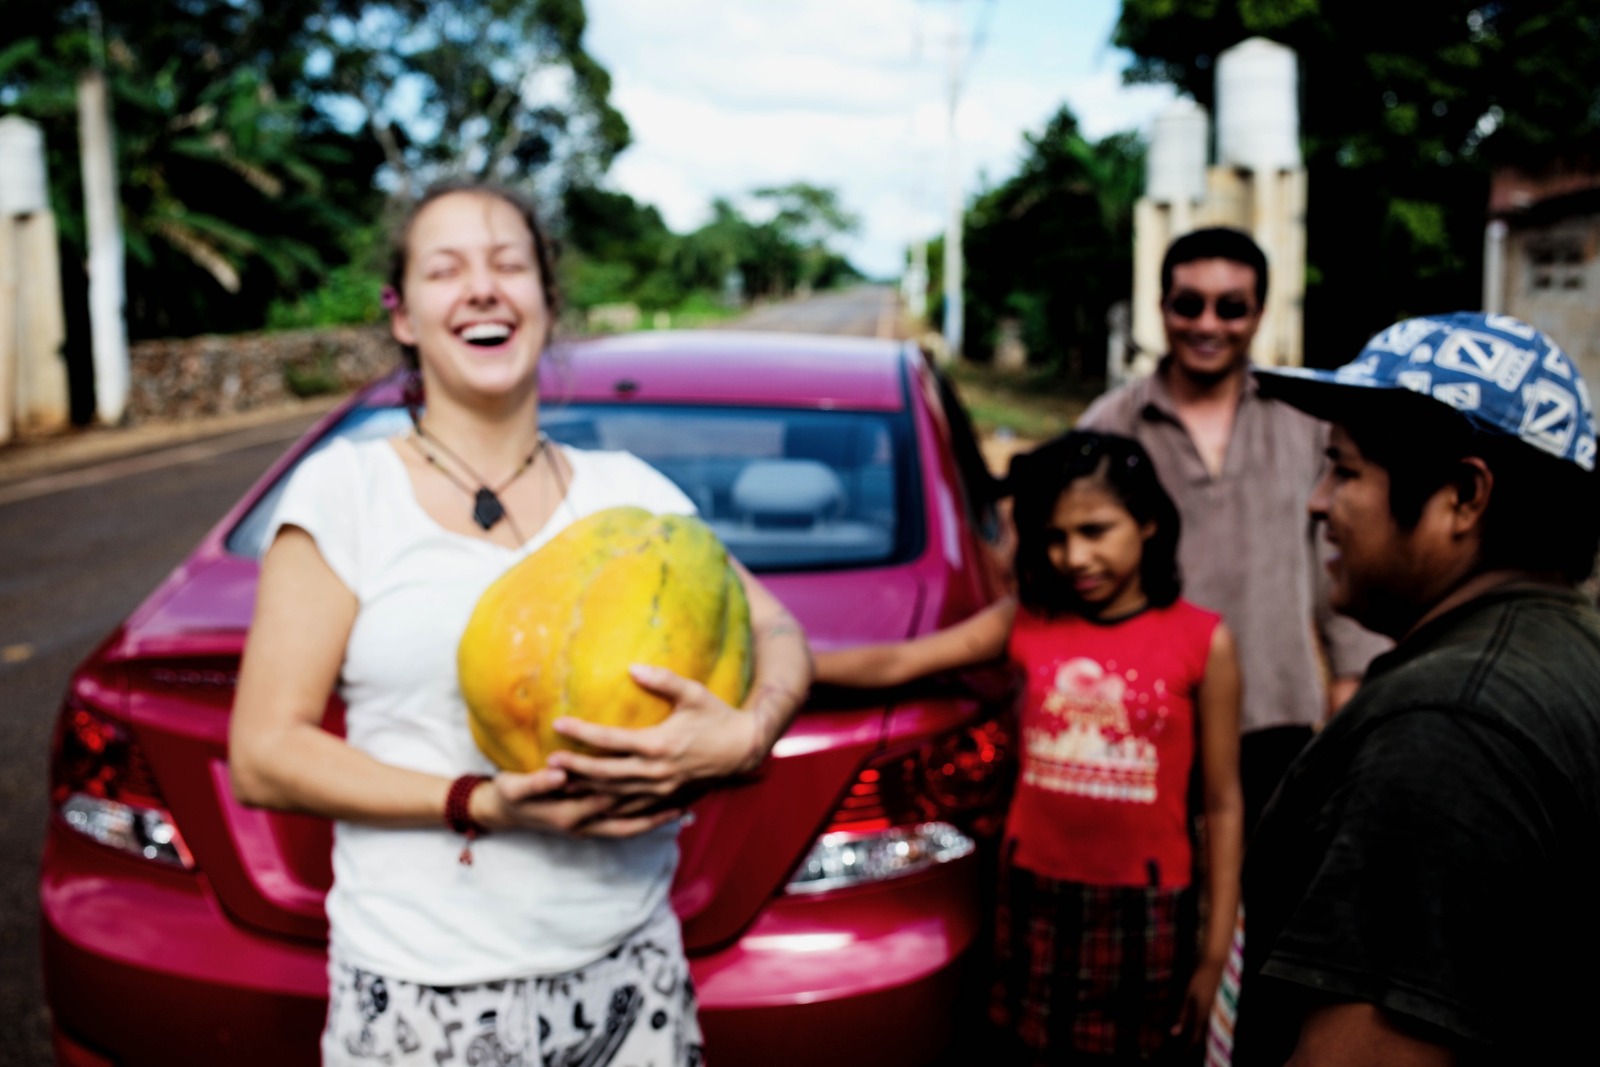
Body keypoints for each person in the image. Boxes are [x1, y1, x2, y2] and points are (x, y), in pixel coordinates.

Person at [227, 179, 812, 1067]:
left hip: (628, 972)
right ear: (402, 315)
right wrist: (479, 801)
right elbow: (265, 753)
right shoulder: (346, 490)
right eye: (445, 269)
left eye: (510, 265)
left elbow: (780, 635)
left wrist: (748, 735)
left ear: (546, 301)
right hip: (421, 988)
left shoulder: (632, 494)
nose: (484, 289)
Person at [1218, 311, 1600, 1066]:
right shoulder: (1561, 647)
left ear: (1462, 495)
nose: (1317, 502)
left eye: (1347, 469)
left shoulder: (1445, 735)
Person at [815, 430, 1244, 1065]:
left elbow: (1222, 804)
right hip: (1033, 896)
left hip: (1148, 910)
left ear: (1149, 522)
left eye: (1096, 531)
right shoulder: (1025, 620)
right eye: (1055, 536)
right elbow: (900, 661)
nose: (1074, 557)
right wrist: (795, 666)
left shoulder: (1202, 641)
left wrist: (1213, 955)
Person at [1077, 227, 1388, 835]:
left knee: (1271, 887)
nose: (1208, 325)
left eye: (1231, 307)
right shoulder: (1109, 427)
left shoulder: (1306, 423)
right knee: (1159, 896)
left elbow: (1338, 552)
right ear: (1162, 308)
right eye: (1188, 304)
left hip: (1275, 705)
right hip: (1142, 713)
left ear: (1259, 314)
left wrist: (1351, 675)